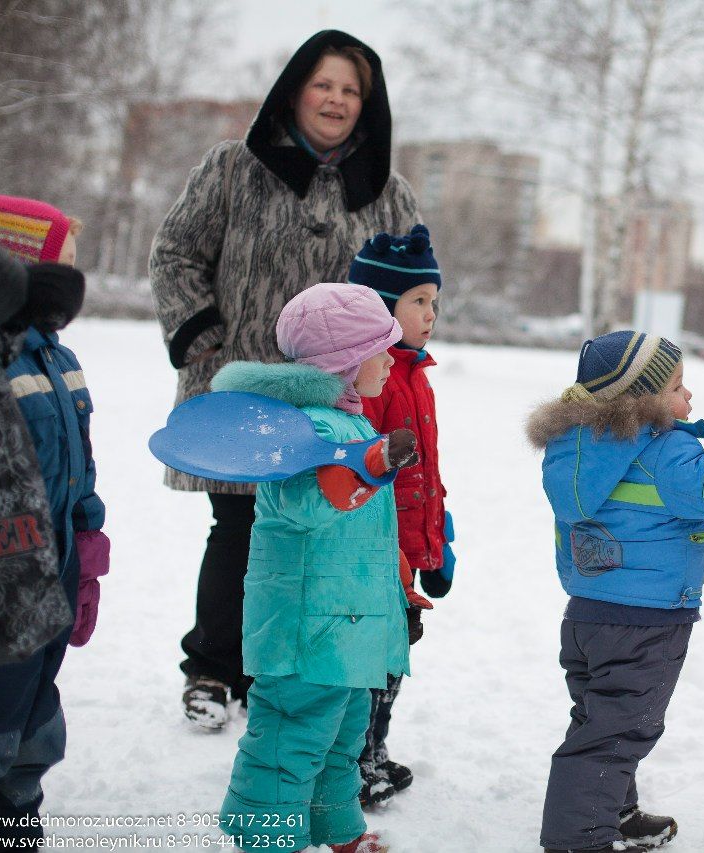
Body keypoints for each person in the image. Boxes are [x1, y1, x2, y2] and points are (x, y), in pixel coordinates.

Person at [149, 29, 422, 729]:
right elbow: (176, 252)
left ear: (369, 103)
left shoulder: (388, 195)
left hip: (344, 404)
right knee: (239, 526)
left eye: (351, 89)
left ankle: (292, 666)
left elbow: (411, 288)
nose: (336, 99)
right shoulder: (232, 168)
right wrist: (202, 340)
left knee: (324, 532)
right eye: (323, 84)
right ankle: (212, 668)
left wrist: (397, 361)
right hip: (248, 386)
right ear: (296, 89)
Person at [528, 331, 704, 853]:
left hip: (588, 617)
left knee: (603, 721)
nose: (689, 399)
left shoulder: (578, 449)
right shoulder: (662, 453)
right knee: (619, 731)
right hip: (645, 624)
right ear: (641, 401)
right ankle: (578, 839)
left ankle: (612, 812)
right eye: (677, 388)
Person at [213, 283, 418, 853]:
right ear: (346, 363)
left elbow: (363, 529)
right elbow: (311, 506)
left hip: (345, 621)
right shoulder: (301, 428)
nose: (388, 360)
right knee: (290, 736)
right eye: (380, 349)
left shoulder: (348, 423)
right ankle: (265, 839)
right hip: (306, 624)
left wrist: (397, 583)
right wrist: (375, 461)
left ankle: (337, 830)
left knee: (342, 735)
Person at [0, 194, 104, 847]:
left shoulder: (59, 357)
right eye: (65, 264)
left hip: (55, 560)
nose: (75, 282)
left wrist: (88, 538)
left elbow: (80, 460)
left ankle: (15, 813)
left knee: (35, 709)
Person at [348, 225, 453, 807]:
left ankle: (374, 750)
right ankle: (354, 758)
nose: (430, 313)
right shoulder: (373, 375)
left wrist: (439, 545)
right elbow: (369, 474)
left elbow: (426, 475)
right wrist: (394, 552)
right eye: (417, 301)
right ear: (379, 305)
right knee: (371, 655)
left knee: (394, 653)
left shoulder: (415, 373)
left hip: (405, 552)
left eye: (433, 301)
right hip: (374, 551)